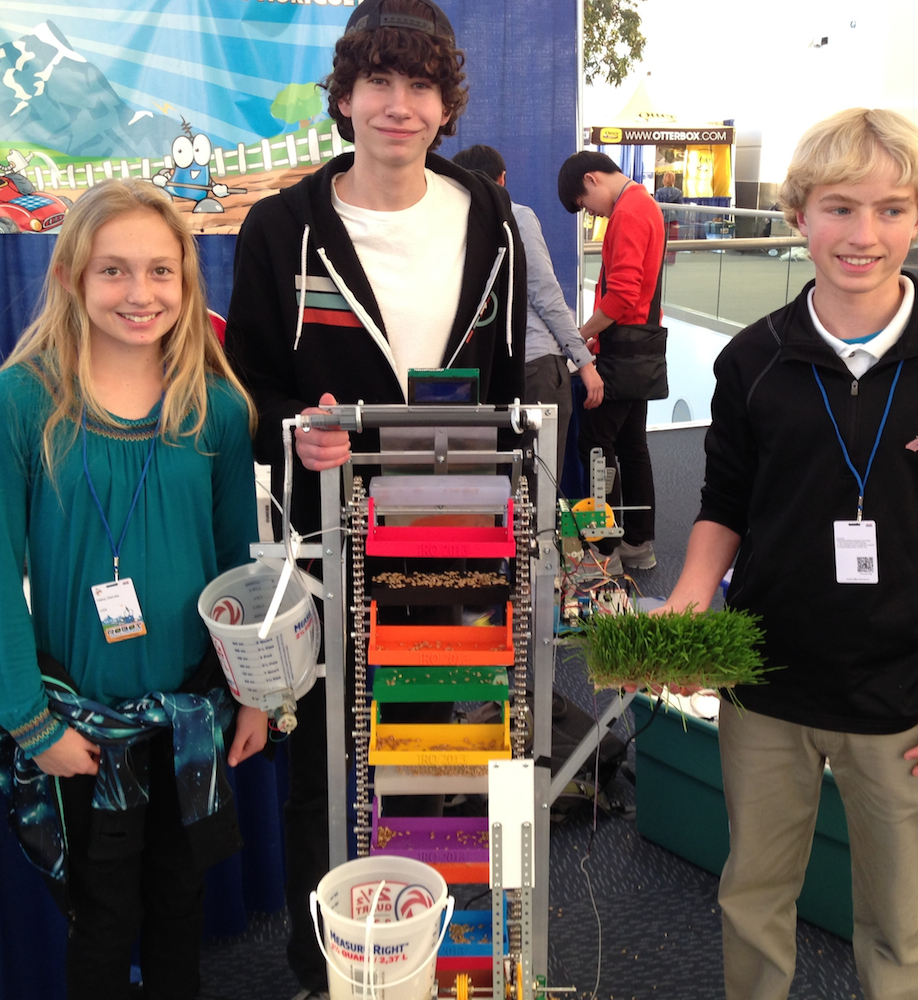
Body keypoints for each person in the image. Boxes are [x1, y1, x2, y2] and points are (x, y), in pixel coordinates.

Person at [658, 108, 918, 999]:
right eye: (840, 208)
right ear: (800, 214)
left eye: (892, 209)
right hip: (765, 684)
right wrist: (692, 599)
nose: (864, 235)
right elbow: (723, 504)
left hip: (909, 696)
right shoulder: (752, 360)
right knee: (753, 897)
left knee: (901, 926)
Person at [223, 3, 526, 996]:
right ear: (344, 97)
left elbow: (506, 382)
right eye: (379, 83)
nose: (400, 105)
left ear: (447, 104)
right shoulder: (282, 225)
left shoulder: (488, 214)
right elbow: (251, 387)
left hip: (457, 529)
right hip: (328, 537)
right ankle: (331, 964)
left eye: (422, 85)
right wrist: (290, 431)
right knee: (332, 763)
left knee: (448, 747)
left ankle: (442, 959)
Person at [0, 178, 267, 1000]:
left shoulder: (215, 408)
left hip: (193, 718)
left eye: (161, 271)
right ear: (72, 277)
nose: (139, 293)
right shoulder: (23, 400)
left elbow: (238, 569)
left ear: (187, 282)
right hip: (78, 720)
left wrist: (254, 693)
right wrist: (27, 720)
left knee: (179, 906)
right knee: (102, 919)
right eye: (113, 271)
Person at [451, 143, 603, 483]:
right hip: (534, 367)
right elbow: (545, 294)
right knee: (540, 482)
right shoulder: (516, 216)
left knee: (486, 481)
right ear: (502, 179)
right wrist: (584, 362)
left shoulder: (452, 225)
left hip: (483, 371)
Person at [558, 150, 666, 573]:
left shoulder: (628, 213)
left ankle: (604, 551)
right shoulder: (646, 204)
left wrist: (580, 335)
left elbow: (620, 296)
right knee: (632, 447)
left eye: (584, 203)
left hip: (619, 352)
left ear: (591, 179)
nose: (591, 213)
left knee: (597, 449)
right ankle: (638, 543)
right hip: (642, 348)